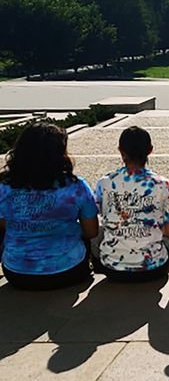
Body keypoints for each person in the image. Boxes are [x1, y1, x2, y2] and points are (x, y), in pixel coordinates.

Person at [0, 123, 98, 289]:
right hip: (68, 271)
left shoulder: (4, 186)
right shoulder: (76, 187)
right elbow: (91, 231)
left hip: (16, 274)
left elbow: (4, 224)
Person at [94, 127, 169, 282]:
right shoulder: (163, 184)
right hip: (153, 268)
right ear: (150, 151)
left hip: (112, 268)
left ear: (120, 151)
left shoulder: (105, 183)